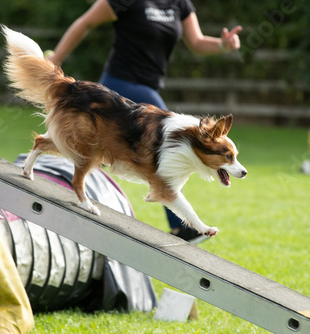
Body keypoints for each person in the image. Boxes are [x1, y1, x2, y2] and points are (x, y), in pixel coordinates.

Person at [46, 0, 242, 243]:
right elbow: (84, 23)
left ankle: (61, 166)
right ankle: (183, 227)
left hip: (148, 88)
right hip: (120, 84)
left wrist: (223, 44)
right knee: (169, 141)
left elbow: (197, 42)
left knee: (110, 152)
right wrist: (55, 59)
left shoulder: (179, 4)